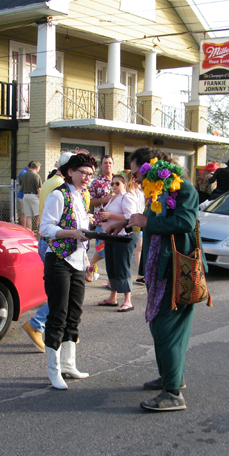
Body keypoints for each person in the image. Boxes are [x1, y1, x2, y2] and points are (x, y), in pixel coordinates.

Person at [105, 147, 200, 412]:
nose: (134, 179)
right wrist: (127, 223)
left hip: (176, 270)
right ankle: (171, 377)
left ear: (151, 169)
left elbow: (184, 222)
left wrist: (144, 222)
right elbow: (152, 219)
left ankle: (173, 394)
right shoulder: (156, 190)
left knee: (166, 329)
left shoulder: (183, 189)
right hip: (160, 269)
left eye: (136, 174)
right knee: (164, 328)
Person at [39, 152, 95, 390]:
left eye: (90, 174)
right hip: (59, 261)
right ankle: (53, 370)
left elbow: (78, 226)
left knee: (74, 314)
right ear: (70, 172)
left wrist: (88, 223)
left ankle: (68, 364)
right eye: (83, 172)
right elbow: (45, 228)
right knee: (58, 315)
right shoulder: (58, 194)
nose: (87, 177)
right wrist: (73, 233)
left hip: (78, 261)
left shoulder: (80, 196)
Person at [21, 155, 75, 353]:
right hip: (57, 243)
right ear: (70, 169)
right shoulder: (61, 186)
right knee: (62, 293)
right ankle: (37, 324)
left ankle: (65, 329)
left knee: (62, 291)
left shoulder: (49, 181)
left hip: (46, 240)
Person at [97, 174, 141, 312]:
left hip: (124, 236)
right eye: (112, 183)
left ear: (124, 185)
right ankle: (113, 297)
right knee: (111, 266)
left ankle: (128, 300)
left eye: (117, 183)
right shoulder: (113, 198)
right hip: (111, 236)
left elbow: (130, 217)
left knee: (122, 266)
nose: (114, 186)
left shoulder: (127, 197)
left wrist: (111, 215)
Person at [86, 155, 115, 282]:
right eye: (105, 163)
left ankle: (111, 280)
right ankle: (90, 267)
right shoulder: (96, 182)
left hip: (116, 220)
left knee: (113, 251)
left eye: (110, 163)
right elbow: (90, 201)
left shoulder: (117, 180)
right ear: (101, 165)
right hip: (102, 221)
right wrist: (104, 199)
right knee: (102, 250)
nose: (108, 165)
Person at [19, 161, 42, 231]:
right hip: (33, 196)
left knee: (28, 216)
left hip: (25, 196)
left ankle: (29, 233)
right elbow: (39, 189)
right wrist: (41, 198)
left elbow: (20, 186)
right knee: (39, 216)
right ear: (37, 168)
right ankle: (39, 232)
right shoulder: (36, 175)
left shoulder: (23, 175)